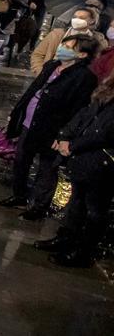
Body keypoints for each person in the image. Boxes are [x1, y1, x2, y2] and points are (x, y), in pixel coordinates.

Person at [0, 35, 99, 220]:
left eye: (69, 47)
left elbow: (78, 110)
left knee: (47, 168)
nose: (62, 48)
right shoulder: (52, 66)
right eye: (63, 45)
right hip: (31, 121)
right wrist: (18, 111)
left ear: (82, 55)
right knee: (21, 159)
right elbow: (33, 89)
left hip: (52, 129)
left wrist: (63, 136)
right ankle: (19, 195)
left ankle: (39, 206)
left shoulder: (84, 78)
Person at [33, 70, 114, 267]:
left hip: (102, 161)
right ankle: (66, 239)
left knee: (94, 210)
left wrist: (73, 145)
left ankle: (83, 252)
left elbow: (104, 133)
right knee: (76, 203)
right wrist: (65, 136)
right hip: (84, 159)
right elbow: (85, 115)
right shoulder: (106, 90)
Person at [29, 7, 108, 75]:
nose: (76, 20)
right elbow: (38, 55)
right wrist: (41, 73)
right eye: (74, 17)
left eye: (81, 18)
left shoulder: (97, 41)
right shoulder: (56, 34)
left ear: (92, 21)